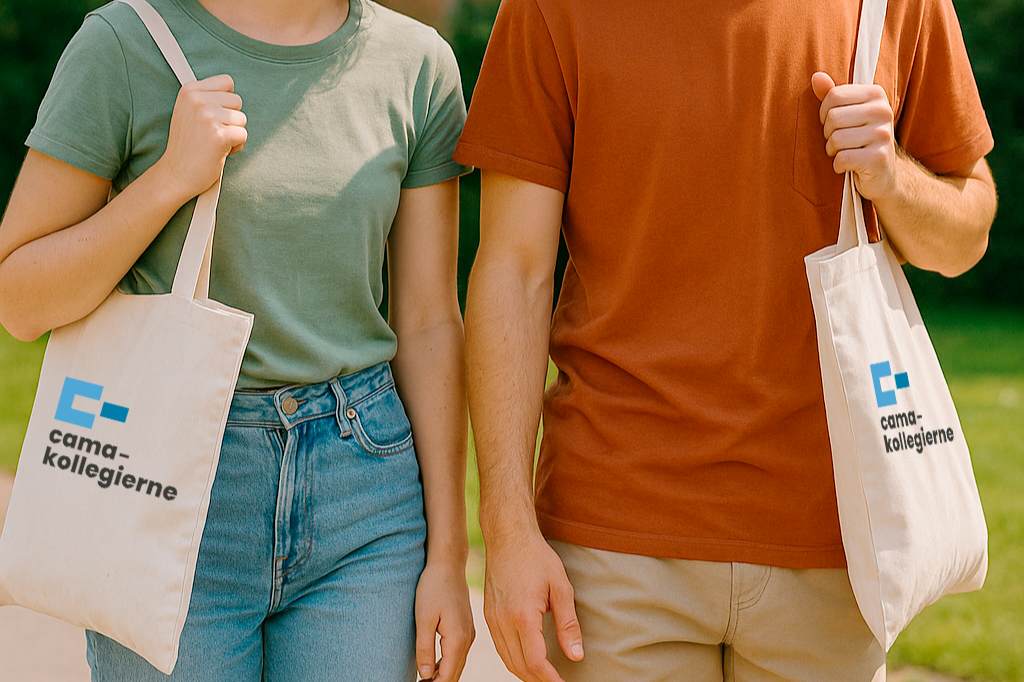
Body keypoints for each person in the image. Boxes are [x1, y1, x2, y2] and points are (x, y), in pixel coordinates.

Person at [455, 0, 997, 680]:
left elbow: (966, 234)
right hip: (614, 544)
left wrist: (890, 176)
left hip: (833, 545)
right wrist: (506, 533)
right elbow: (513, 269)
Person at [0, 0, 475, 680]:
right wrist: (170, 180)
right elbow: (18, 300)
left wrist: (448, 560)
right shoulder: (126, 45)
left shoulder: (417, 64)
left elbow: (429, 324)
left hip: (363, 496)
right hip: (162, 485)